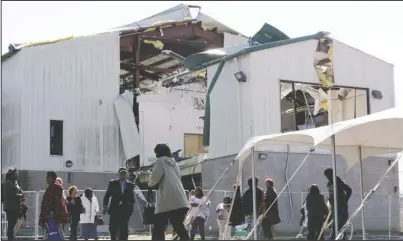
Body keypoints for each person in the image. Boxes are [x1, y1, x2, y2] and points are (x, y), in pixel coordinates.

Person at [148, 143, 190, 241]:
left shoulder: (160, 161)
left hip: (166, 200)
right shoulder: (174, 163)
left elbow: (154, 178)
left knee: (159, 226)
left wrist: (150, 179)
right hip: (180, 200)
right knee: (178, 225)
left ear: (158, 153)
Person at [103, 167, 135, 240]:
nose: (123, 175)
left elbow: (132, 199)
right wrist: (105, 206)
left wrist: (130, 209)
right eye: (121, 174)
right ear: (118, 174)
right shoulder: (113, 183)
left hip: (125, 210)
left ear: (126, 175)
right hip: (114, 209)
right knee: (113, 228)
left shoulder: (130, 185)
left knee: (124, 229)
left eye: (124, 174)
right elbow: (107, 195)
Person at [324, 168, 352, 240]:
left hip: (341, 206)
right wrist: (330, 201)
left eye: (328, 175)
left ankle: (337, 236)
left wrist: (345, 200)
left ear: (332, 174)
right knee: (336, 221)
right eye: (326, 176)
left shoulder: (338, 182)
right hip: (334, 206)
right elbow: (331, 194)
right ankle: (340, 236)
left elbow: (349, 190)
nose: (327, 178)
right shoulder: (329, 184)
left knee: (341, 221)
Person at [39, 171, 69, 237]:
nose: (46, 179)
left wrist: (53, 212)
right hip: (50, 215)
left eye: (47, 177)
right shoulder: (51, 187)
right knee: (54, 233)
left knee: (54, 233)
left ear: (51, 178)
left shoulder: (56, 187)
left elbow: (59, 202)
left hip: (53, 215)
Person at [2, 168, 24, 240]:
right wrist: (21, 195)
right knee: (11, 224)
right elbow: (13, 194)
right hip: (11, 207)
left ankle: (12, 237)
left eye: (18, 173)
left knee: (16, 222)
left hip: (13, 206)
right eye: (16, 173)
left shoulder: (14, 182)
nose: (17, 174)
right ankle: (10, 238)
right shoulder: (8, 183)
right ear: (11, 175)